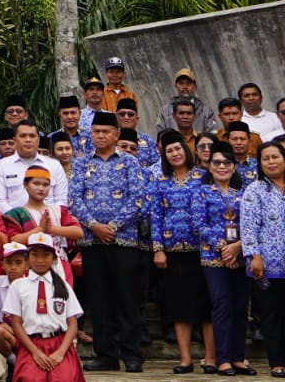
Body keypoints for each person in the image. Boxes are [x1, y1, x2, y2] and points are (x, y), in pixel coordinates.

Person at [69, 112, 145, 372]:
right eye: (96, 131)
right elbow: (74, 200)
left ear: (117, 134)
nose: (100, 136)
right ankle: (106, 355)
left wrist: (111, 227)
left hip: (123, 240)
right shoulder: (80, 163)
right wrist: (94, 226)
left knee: (127, 299)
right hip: (92, 242)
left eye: (106, 131)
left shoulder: (130, 163)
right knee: (100, 301)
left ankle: (132, 354)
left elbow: (137, 199)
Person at [149, 131, 211, 374]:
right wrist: (158, 250)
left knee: (206, 305)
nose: (175, 154)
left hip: (202, 251)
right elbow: (156, 216)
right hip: (172, 251)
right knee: (179, 305)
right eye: (169, 151)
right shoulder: (161, 181)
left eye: (178, 149)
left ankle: (211, 357)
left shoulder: (203, 177)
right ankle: (185, 359)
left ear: (186, 150)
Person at [242, 141, 285, 379]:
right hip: (266, 264)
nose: (271, 162)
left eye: (275, 157)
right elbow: (248, 226)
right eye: (265, 158)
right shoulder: (254, 190)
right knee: (271, 314)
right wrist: (254, 255)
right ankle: (276, 362)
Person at [194, 142, 249, 377]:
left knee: (240, 306)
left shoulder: (244, 192)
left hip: (241, 255)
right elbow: (198, 225)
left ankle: (238, 357)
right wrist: (223, 248)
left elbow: (251, 223)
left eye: (227, 162)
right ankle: (222, 358)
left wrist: (237, 247)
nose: (222, 166)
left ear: (235, 166)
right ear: (209, 165)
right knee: (222, 305)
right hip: (213, 257)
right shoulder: (201, 191)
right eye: (216, 162)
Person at [4, 233, 85, 382]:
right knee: (30, 378)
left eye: (46, 255)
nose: (40, 260)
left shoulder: (62, 285)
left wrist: (61, 352)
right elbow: (16, 323)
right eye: (35, 255)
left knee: (64, 378)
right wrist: (35, 352)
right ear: (27, 259)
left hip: (60, 343)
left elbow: (72, 323)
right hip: (31, 344)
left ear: (54, 258)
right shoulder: (18, 286)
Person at [0, 166, 81, 285]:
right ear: (26, 185)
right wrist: (39, 229)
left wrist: (53, 229)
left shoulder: (58, 211)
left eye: (45, 185)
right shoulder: (16, 214)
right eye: (36, 183)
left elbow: (78, 232)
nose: (41, 188)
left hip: (60, 265)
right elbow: (13, 240)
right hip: (30, 267)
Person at [0, 120, 71, 210]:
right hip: (13, 222)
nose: (28, 140)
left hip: (50, 221)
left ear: (38, 140)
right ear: (15, 140)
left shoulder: (54, 166)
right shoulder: (0, 167)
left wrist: (49, 217)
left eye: (32, 136)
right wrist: (23, 220)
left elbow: (61, 200)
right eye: (23, 136)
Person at [113, 101, 159, 169]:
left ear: (137, 119)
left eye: (130, 114)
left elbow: (157, 164)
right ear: (116, 117)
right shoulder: (110, 138)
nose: (126, 117)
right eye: (122, 114)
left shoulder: (148, 140)